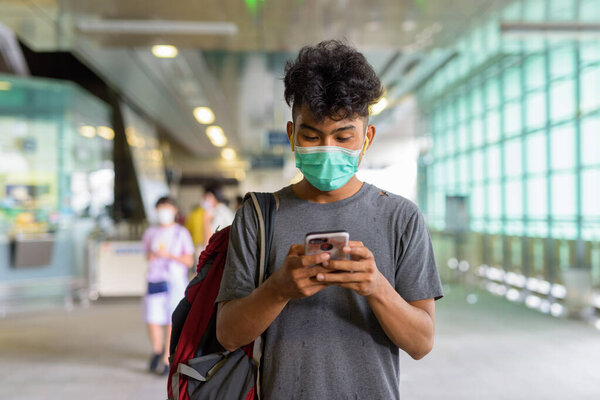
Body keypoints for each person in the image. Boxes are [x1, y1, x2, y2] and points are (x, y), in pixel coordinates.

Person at [215, 40, 443, 399]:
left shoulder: (401, 218)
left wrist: (376, 287)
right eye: (311, 136)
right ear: (293, 137)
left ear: (366, 138)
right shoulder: (259, 216)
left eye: (343, 136)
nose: (327, 148)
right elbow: (227, 334)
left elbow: (421, 343)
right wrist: (279, 289)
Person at [142, 196, 194, 375]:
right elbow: (146, 254)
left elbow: (189, 260)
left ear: (174, 210)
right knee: (152, 318)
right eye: (160, 208)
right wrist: (154, 255)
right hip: (155, 279)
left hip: (175, 282)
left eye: (166, 207)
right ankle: (157, 349)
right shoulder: (150, 232)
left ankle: (166, 357)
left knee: (172, 319)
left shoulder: (181, 233)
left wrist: (170, 255)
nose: (163, 211)